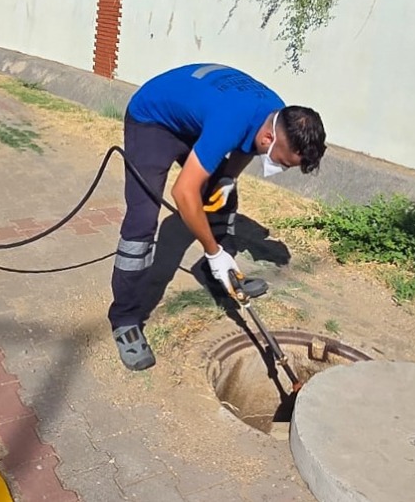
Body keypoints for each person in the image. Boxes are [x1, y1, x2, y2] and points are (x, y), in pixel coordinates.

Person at [110, 63, 326, 371]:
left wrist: (228, 178)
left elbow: (248, 144)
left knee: (223, 196)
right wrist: (214, 252)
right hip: (153, 120)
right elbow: (183, 193)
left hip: (196, 119)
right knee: (142, 219)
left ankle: (218, 277)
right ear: (270, 139)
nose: (283, 168)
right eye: (284, 162)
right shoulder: (231, 119)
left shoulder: (277, 114)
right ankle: (125, 318)